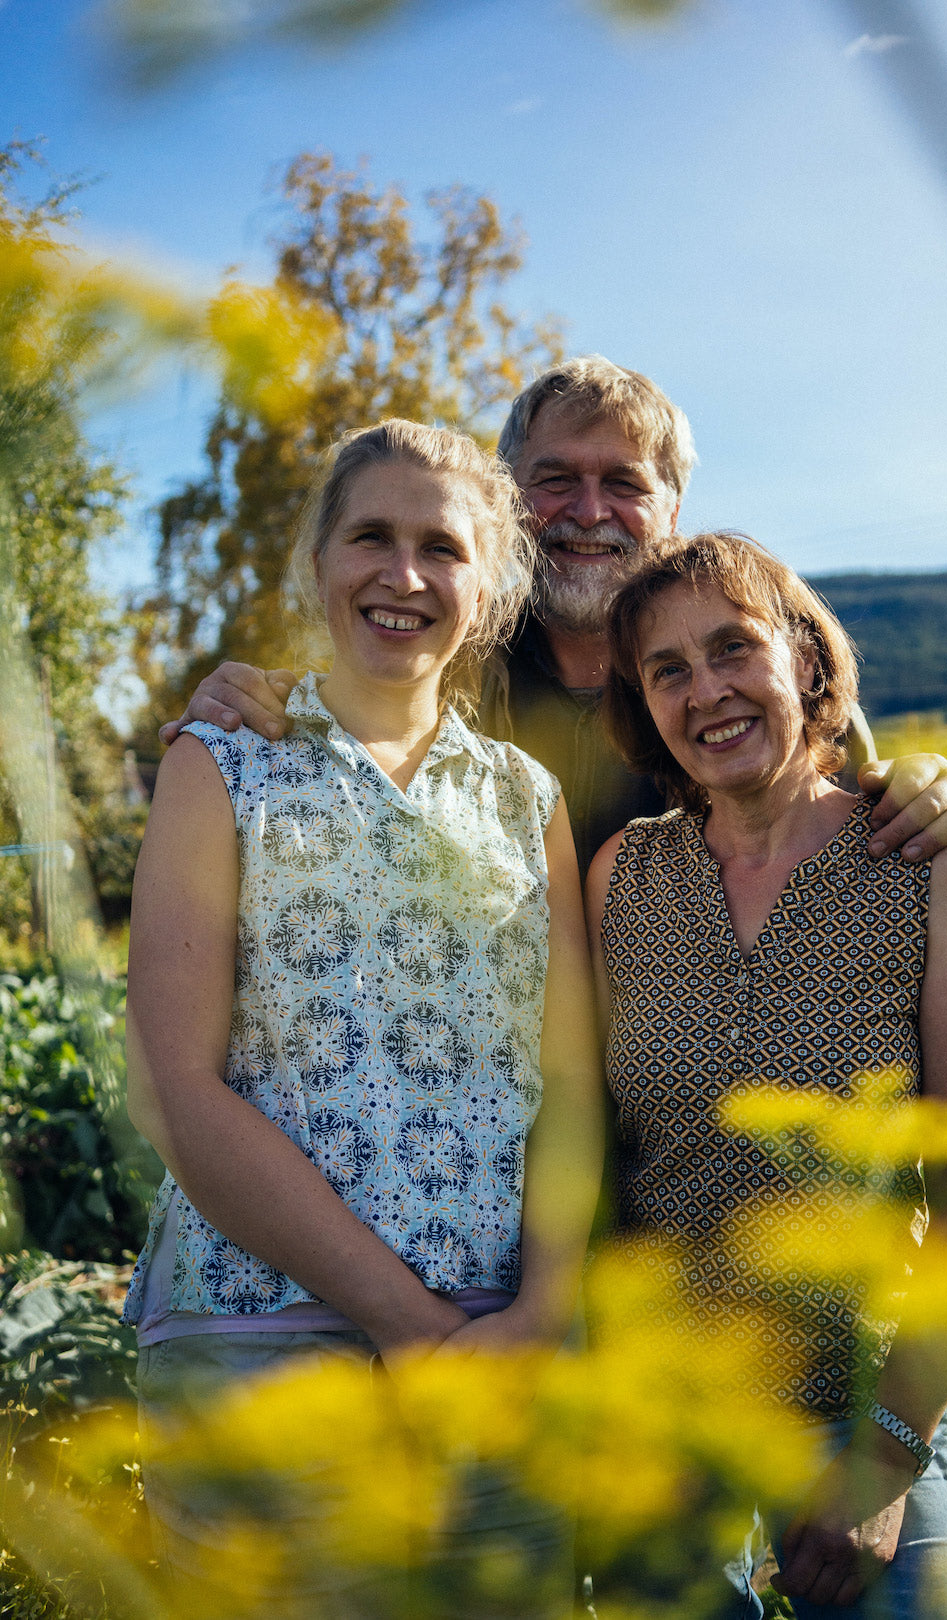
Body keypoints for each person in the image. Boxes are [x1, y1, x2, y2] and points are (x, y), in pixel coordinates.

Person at [123, 420, 605, 1617]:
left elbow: (570, 1087)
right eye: (371, 538)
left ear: (488, 588)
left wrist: (539, 1315)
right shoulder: (226, 759)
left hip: (498, 1352)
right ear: (317, 560)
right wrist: (410, 1327)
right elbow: (176, 1086)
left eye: (441, 548)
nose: (403, 575)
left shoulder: (523, 794)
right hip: (257, 1339)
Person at [585, 531, 947, 1619]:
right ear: (643, 708)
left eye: (734, 649)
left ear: (807, 666)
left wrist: (886, 1461)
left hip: (870, 1398)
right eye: (669, 670)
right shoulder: (619, 879)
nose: (708, 693)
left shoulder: (923, 858)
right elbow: (595, 1157)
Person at [160, 357, 947, 874]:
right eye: (556, 478)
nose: (588, 512)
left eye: (625, 484)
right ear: (507, 501)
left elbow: (879, 858)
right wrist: (252, 702)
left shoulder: (766, 698)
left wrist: (932, 793)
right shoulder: (439, 659)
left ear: (675, 510)